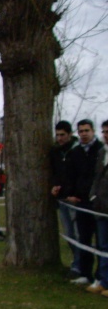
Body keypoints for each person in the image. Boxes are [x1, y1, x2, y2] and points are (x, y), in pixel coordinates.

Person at [61, 119, 104, 287]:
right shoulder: (75, 152)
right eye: (81, 131)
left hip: (99, 203)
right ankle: (86, 273)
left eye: (87, 130)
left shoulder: (100, 150)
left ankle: (101, 276)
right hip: (81, 202)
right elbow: (69, 175)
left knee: (101, 241)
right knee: (84, 238)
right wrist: (70, 194)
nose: (84, 133)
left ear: (93, 131)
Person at [50, 121, 81, 279]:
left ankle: (81, 266)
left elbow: (80, 175)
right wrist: (55, 186)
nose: (60, 138)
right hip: (62, 198)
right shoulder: (56, 152)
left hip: (75, 199)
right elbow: (55, 173)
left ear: (69, 134)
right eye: (58, 135)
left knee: (78, 233)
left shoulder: (77, 151)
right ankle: (77, 263)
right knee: (69, 233)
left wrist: (75, 193)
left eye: (63, 135)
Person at [86, 120, 108, 296]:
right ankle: (102, 280)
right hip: (101, 207)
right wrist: (93, 195)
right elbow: (97, 177)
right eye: (105, 132)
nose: (106, 135)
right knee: (102, 245)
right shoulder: (102, 152)